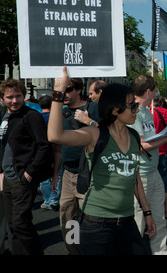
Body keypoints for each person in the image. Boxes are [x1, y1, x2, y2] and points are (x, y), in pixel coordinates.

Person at [47, 67, 156, 255]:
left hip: (127, 223)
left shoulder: (134, 135)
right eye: (132, 106)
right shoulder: (95, 135)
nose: (137, 110)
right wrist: (58, 90)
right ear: (115, 109)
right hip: (97, 225)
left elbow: (135, 178)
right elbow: (55, 136)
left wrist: (147, 213)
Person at [129, 74, 167, 255]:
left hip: (153, 171)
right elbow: (141, 145)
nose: (156, 94)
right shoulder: (135, 112)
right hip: (141, 174)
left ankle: (161, 252)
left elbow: (149, 140)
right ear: (148, 92)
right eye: (154, 91)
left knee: (159, 219)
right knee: (139, 221)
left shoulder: (147, 111)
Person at [0, 79, 53, 255]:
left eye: (18, 96)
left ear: (24, 96)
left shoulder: (31, 116)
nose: (14, 100)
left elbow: (44, 146)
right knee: (13, 225)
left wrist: (29, 172)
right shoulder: (4, 116)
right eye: (10, 97)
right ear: (2, 98)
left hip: (22, 178)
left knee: (21, 223)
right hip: (7, 178)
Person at [58, 77, 99, 255]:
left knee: (91, 218)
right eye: (62, 91)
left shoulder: (93, 108)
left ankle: (91, 250)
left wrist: (89, 120)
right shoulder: (61, 113)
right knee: (67, 217)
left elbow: (109, 134)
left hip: (89, 173)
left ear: (78, 90)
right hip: (67, 172)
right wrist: (55, 175)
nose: (64, 94)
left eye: (68, 90)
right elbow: (57, 146)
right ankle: (74, 252)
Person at [152, 90, 167, 228]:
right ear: (160, 102)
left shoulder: (145, 112)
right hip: (163, 152)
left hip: (148, 153)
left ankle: (154, 216)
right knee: (166, 186)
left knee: (150, 186)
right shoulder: (166, 113)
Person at [38, 95, 62, 211]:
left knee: (44, 177)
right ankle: (54, 199)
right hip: (56, 147)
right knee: (57, 174)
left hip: (42, 150)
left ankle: (47, 200)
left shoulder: (37, 118)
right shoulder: (55, 118)